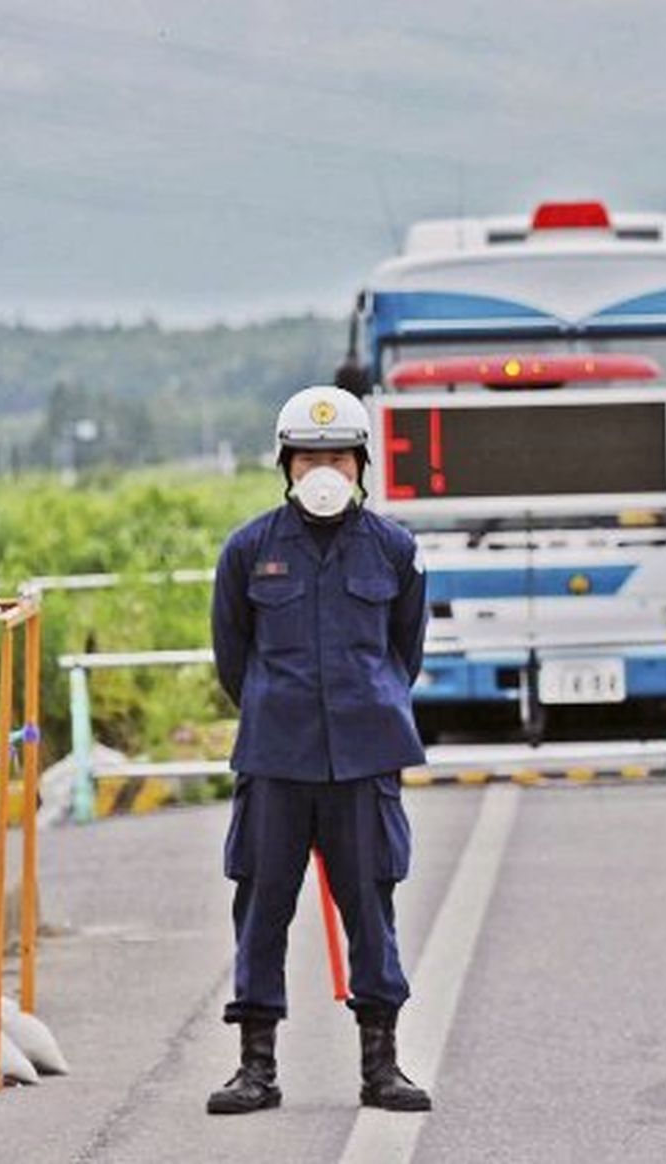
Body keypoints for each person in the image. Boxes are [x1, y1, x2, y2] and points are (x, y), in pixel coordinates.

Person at [207, 384, 432, 1115]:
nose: (323, 470)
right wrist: (282, 710)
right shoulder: (248, 550)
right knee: (263, 907)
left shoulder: (396, 550)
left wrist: (366, 707)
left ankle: (382, 1066)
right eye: (309, 457)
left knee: (371, 907)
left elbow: (405, 653)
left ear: (362, 463)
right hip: (276, 759)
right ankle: (255, 1067)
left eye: (337, 455)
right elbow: (232, 657)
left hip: (365, 761)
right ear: (286, 466)